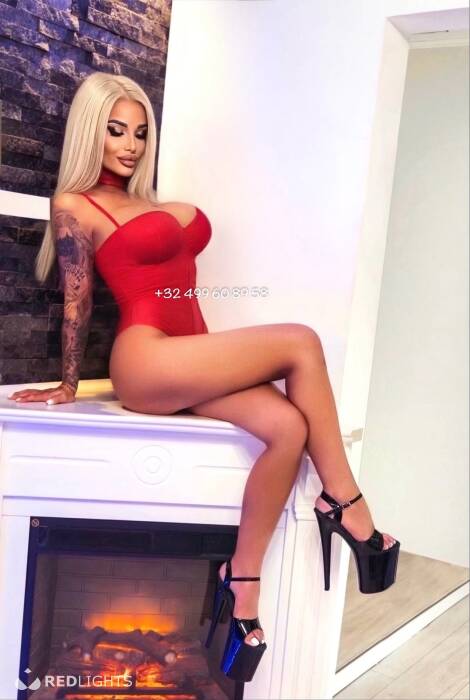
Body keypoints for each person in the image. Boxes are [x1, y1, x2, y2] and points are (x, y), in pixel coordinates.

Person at [8, 72, 400, 682]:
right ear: (91, 134)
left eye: (141, 132)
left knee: (287, 427)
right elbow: (77, 299)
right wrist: (67, 385)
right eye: (116, 131)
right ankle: (347, 504)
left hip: (190, 356)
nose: (131, 145)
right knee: (300, 342)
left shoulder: (150, 201)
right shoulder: (75, 206)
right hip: (146, 359)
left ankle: (241, 582)